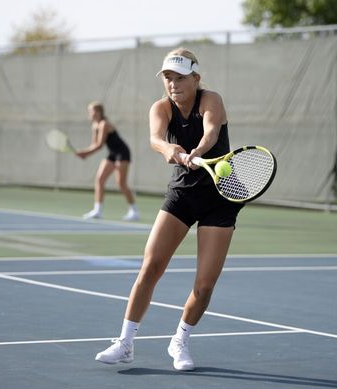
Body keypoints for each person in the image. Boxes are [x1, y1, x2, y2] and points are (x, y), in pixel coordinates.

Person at [94, 47, 244, 371]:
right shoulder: (161, 107)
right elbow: (155, 138)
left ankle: (180, 340)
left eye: (180, 77)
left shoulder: (211, 99)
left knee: (204, 287)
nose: (173, 83)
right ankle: (125, 343)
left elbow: (211, 131)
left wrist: (198, 151)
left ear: (196, 78)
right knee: (150, 268)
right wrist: (171, 149)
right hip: (182, 194)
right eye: (167, 77)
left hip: (220, 198)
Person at [76, 102, 139, 221]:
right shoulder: (95, 125)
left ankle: (134, 211)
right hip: (112, 153)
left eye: (92, 111)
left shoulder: (104, 124)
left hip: (122, 152)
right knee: (99, 179)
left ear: (99, 112)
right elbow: (94, 144)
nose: (90, 113)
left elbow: (99, 145)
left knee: (121, 183)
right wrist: (85, 152)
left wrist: (85, 153)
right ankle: (97, 211)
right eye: (89, 111)